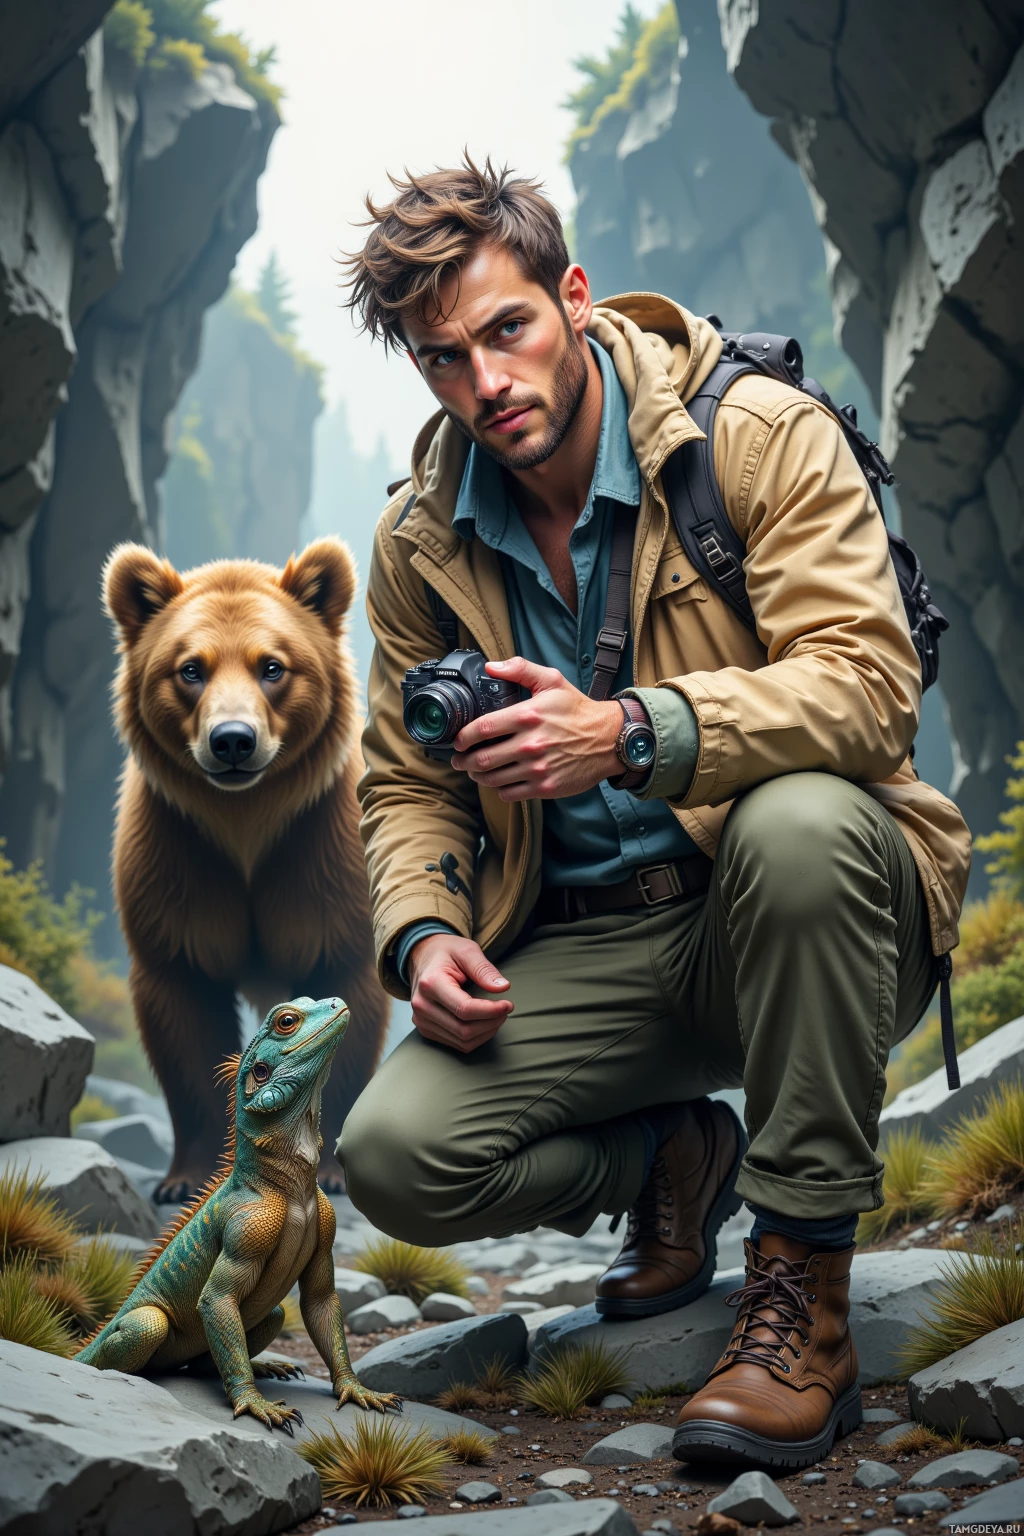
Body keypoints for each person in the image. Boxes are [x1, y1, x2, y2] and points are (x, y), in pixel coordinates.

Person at [336, 156, 971, 1470]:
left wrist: (632, 732)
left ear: (571, 296)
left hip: (806, 915)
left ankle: (802, 1303)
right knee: (394, 1159)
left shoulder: (755, 433)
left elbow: (868, 691)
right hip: (585, 952)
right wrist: (422, 932)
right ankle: (674, 1161)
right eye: (444, 359)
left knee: (799, 823)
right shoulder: (416, 544)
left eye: (507, 329)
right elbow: (403, 779)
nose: (486, 384)